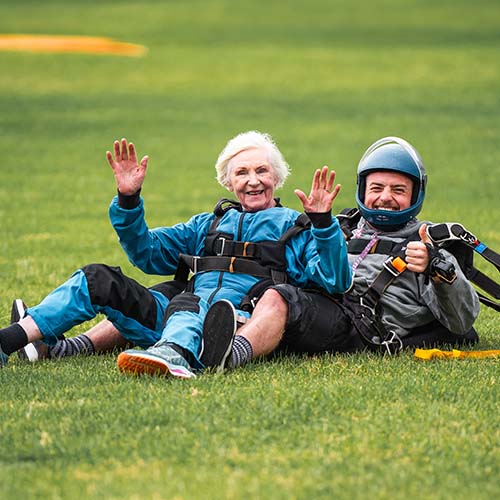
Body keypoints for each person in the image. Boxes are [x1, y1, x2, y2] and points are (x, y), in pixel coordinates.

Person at [0, 131, 353, 377]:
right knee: (98, 279)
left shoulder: (296, 227)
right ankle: (13, 338)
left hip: (231, 327)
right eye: (242, 173)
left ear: (277, 176)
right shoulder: (207, 225)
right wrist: (128, 201)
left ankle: (174, 356)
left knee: (187, 301)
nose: (253, 180)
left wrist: (323, 224)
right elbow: (147, 253)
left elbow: (335, 279)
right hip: (173, 319)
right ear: (228, 183)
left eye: (262, 170)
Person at [198, 136, 481, 370]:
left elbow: (461, 321)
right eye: (377, 188)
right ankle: (196, 342)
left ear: (415, 195)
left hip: (363, 327)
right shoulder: (347, 226)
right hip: (323, 308)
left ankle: (230, 355)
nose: (385, 197)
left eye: (398, 190)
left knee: (279, 295)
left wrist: (440, 271)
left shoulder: (426, 243)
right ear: (363, 190)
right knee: (263, 288)